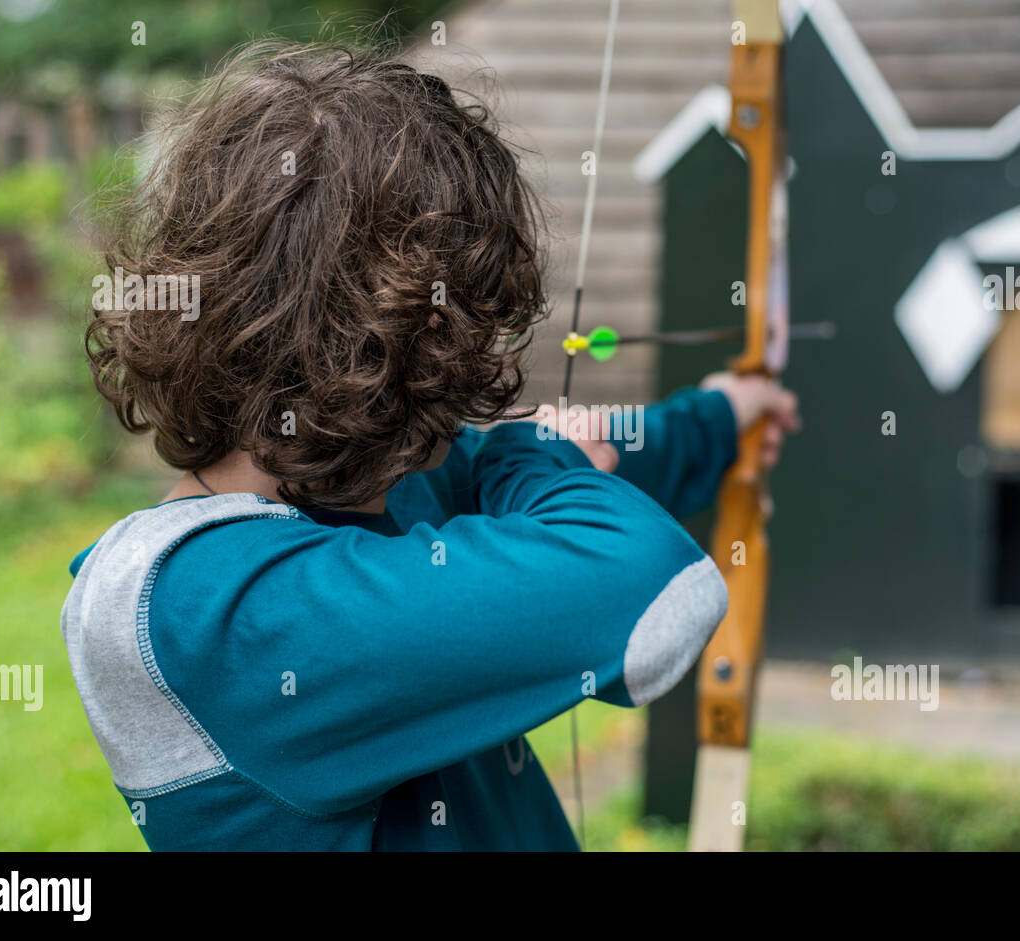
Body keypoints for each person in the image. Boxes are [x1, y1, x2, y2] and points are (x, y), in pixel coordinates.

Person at [62, 40, 799, 850]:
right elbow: (660, 597)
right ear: (424, 327)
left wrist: (728, 414)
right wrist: (535, 453)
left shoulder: (369, 489)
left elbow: (566, 467)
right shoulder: (224, 619)